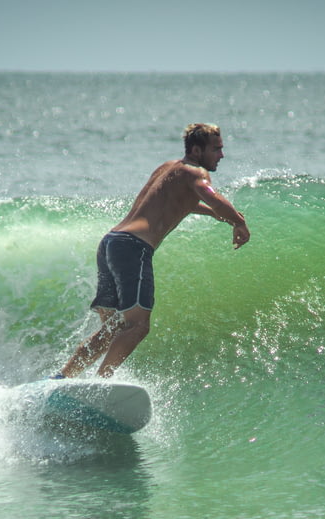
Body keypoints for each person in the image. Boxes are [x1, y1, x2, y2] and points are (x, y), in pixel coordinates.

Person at [52, 123, 249, 379]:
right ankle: (100, 383)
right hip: (134, 247)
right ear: (197, 150)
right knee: (138, 326)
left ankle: (63, 377)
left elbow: (178, 203)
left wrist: (215, 215)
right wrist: (239, 222)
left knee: (113, 328)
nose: (221, 155)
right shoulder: (196, 173)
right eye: (216, 149)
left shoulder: (167, 168)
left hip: (111, 243)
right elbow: (210, 194)